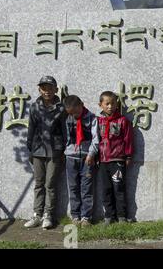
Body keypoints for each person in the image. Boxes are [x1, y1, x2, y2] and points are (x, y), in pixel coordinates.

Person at [25, 76, 66, 229]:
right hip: (37, 150)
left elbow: (64, 130)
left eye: (50, 88)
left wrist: (64, 150)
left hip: (55, 150)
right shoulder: (34, 107)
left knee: (50, 184)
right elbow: (31, 128)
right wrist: (30, 148)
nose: (47, 91)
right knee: (38, 183)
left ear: (56, 89)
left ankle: (48, 215)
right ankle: (37, 214)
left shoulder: (61, 108)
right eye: (44, 88)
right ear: (39, 89)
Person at [97, 91, 134, 225]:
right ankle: (109, 216)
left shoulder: (122, 121)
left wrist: (128, 155)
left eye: (113, 103)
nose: (110, 106)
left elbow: (128, 139)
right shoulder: (98, 121)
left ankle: (122, 216)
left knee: (118, 189)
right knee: (106, 189)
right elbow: (96, 140)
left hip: (117, 160)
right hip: (102, 160)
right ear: (100, 105)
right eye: (107, 103)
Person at [63, 95, 99, 227]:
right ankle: (75, 215)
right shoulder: (67, 118)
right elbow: (65, 136)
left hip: (86, 158)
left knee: (87, 188)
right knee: (73, 187)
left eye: (76, 112)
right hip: (71, 157)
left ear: (82, 105)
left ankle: (86, 217)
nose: (74, 115)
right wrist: (65, 151)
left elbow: (96, 138)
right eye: (71, 113)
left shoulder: (92, 118)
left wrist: (91, 154)